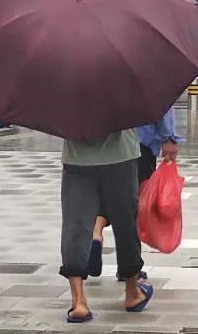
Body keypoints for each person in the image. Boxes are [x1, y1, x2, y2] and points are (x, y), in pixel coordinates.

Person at [59, 129, 154, 323]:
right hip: (120, 154)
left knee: (75, 224)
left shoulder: (65, 96)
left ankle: (78, 302)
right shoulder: (121, 95)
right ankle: (132, 292)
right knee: (125, 223)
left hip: (77, 156)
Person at [89, 107, 181, 280]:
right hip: (138, 144)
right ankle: (129, 269)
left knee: (109, 193)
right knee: (130, 206)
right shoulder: (147, 78)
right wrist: (168, 136)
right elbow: (160, 103)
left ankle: (96, 231)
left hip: (105, 141)